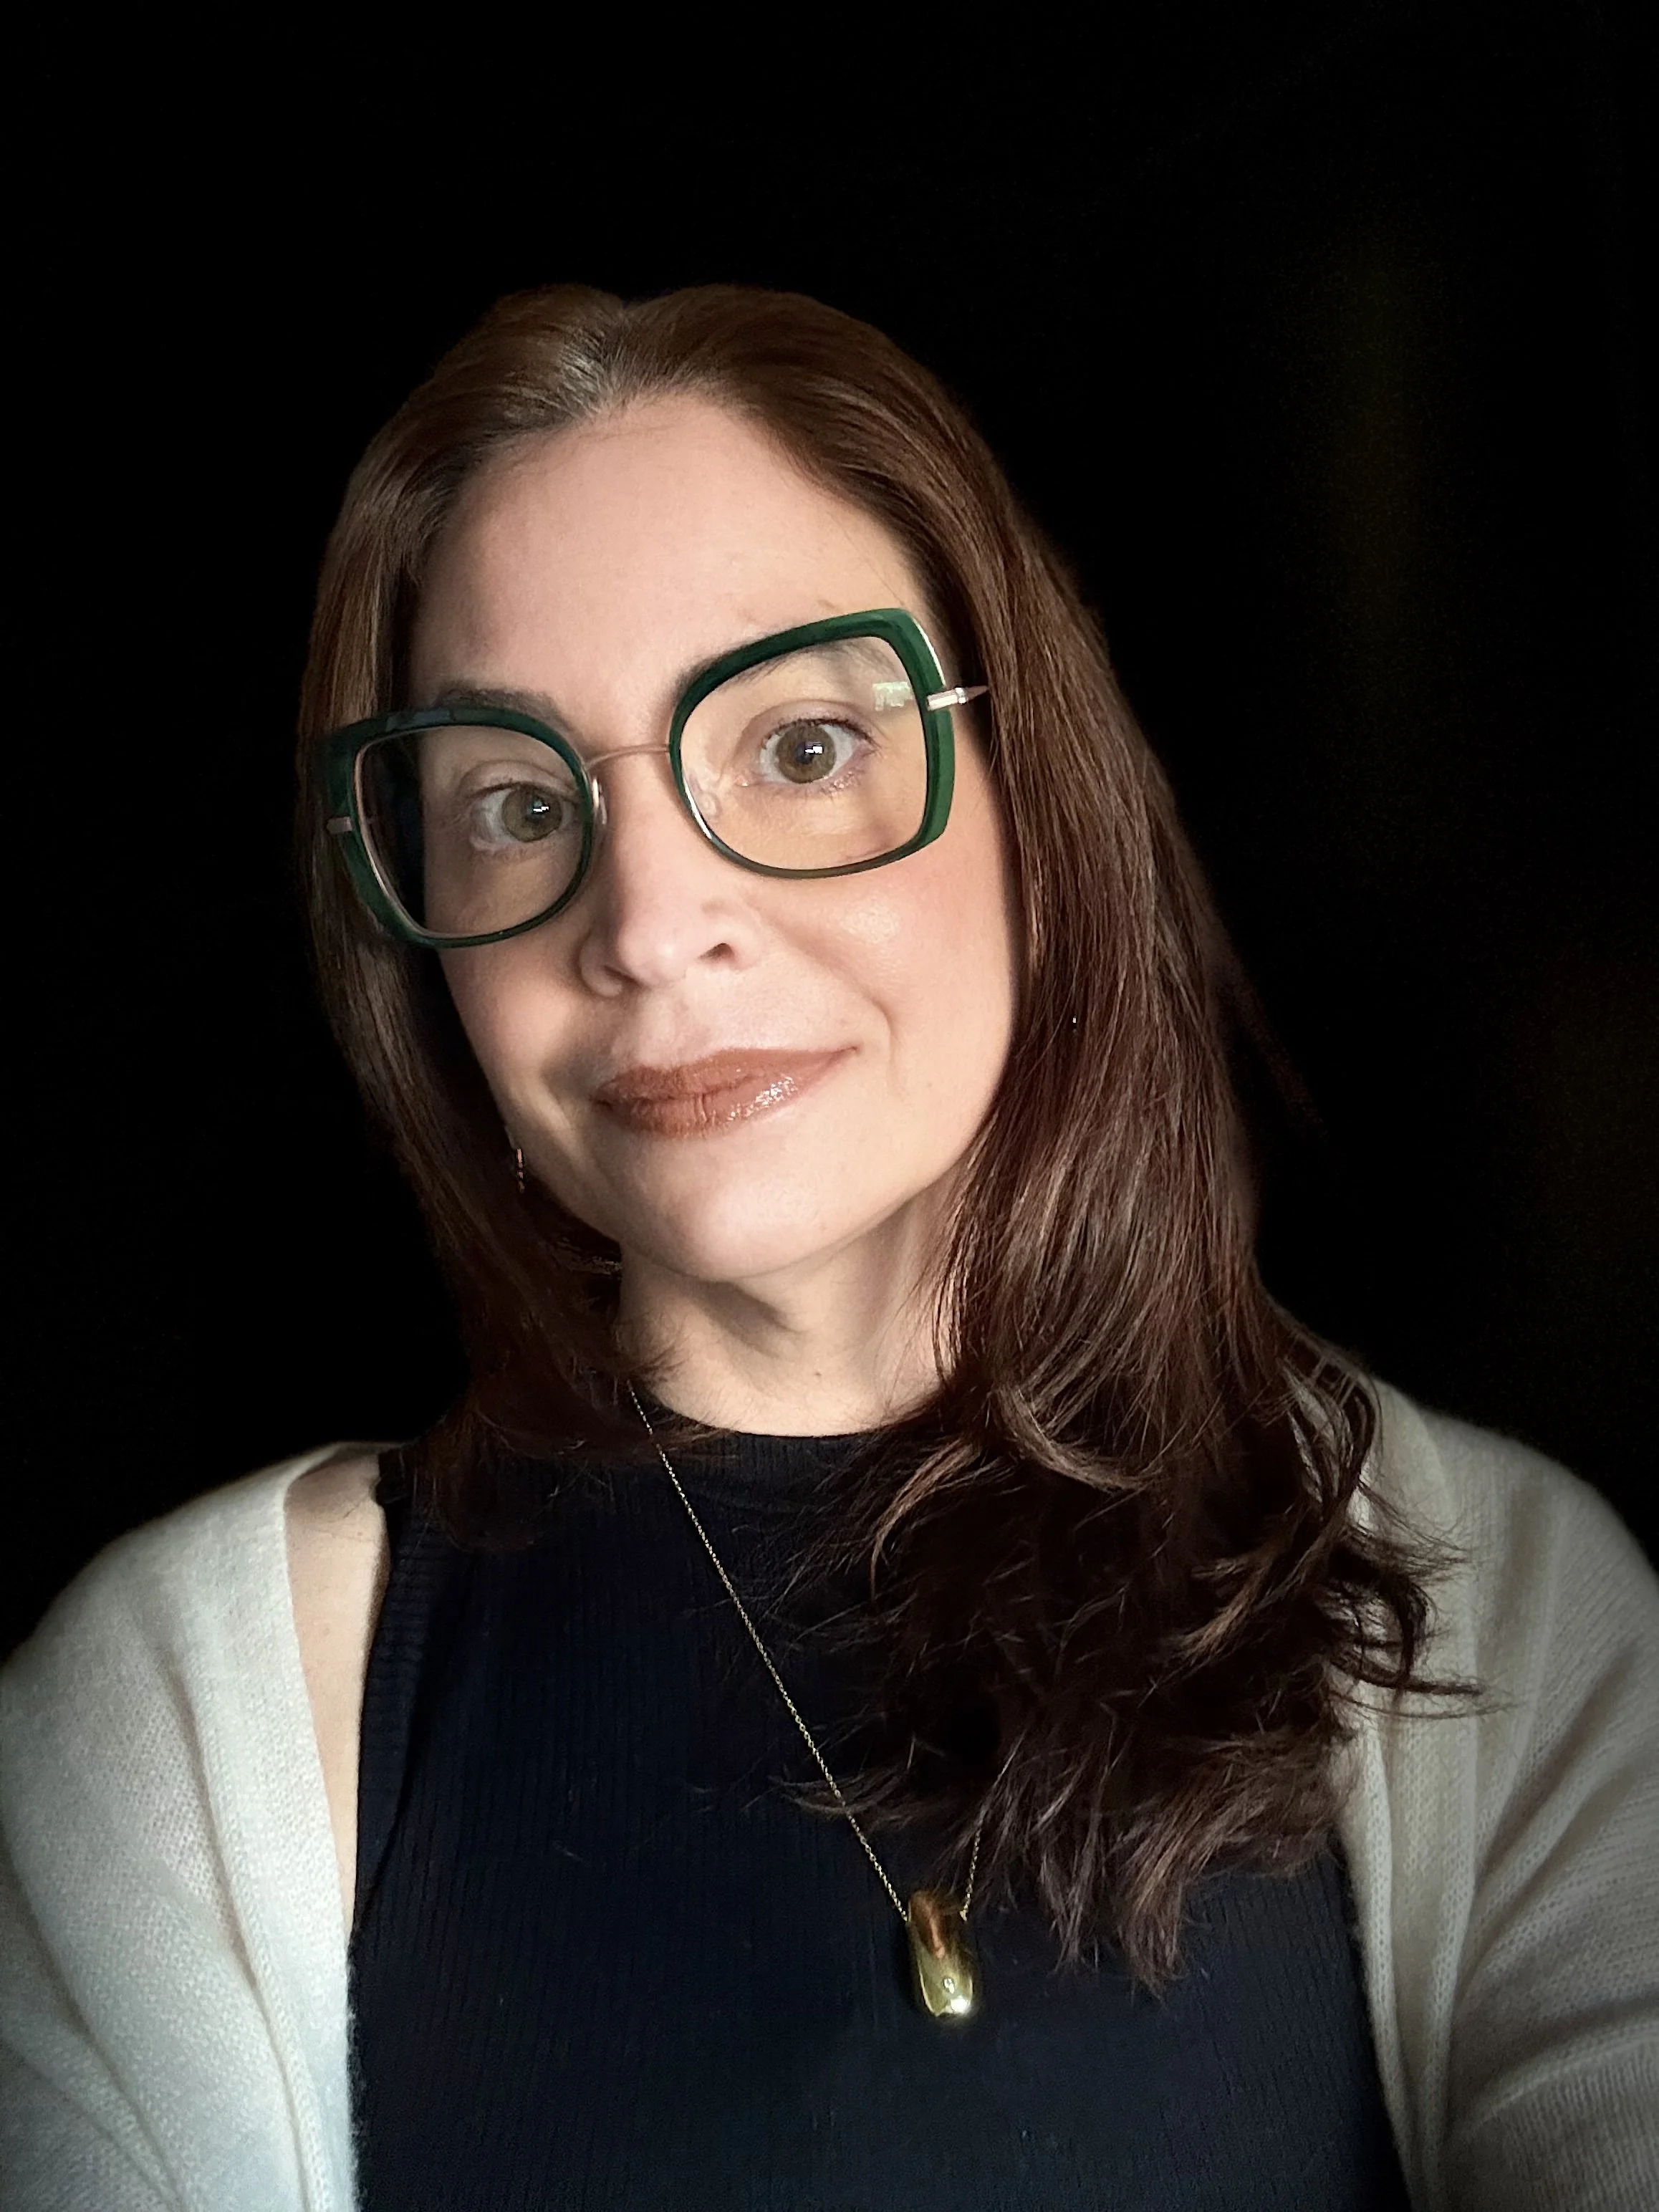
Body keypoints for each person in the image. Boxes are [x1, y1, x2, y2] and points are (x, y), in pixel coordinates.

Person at [1, 285, 1655, 2212]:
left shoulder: (1508, 1611)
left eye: (798, 747)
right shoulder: (177, 1716)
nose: (648, 921)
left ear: (1034, 790)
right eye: (517, 804)